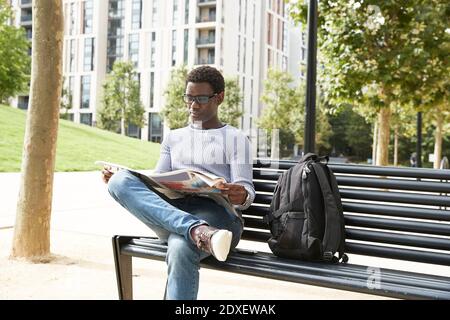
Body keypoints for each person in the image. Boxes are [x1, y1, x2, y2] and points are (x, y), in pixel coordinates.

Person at [102, 66, 255, 300]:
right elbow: (158, 181)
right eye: (189, 98)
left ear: (219, 97)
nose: (193, 105)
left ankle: (196, 230)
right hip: (175, 212)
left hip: (220, 217)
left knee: (180, 247)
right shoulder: (173, 137)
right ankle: (196, 230)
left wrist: (240, 194)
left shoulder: (235, 138)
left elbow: (246, 192)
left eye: (201, 99)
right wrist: (126, 181)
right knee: (119, 181)